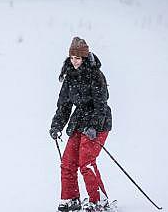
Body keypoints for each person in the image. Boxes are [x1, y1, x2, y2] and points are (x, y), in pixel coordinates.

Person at [49, 37, 112, 212]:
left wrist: (93, 126)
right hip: (79, 121)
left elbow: (101, 104)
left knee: (86, 162)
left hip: (98, 122)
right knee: (67, 162)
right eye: (71, 57)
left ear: (84, 58)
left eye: (77, 58)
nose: (74, 61)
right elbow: (64, 105)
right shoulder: (70, 75)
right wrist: (56, 125)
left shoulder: (95, 75)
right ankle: (71, 198)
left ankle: (98, 201)